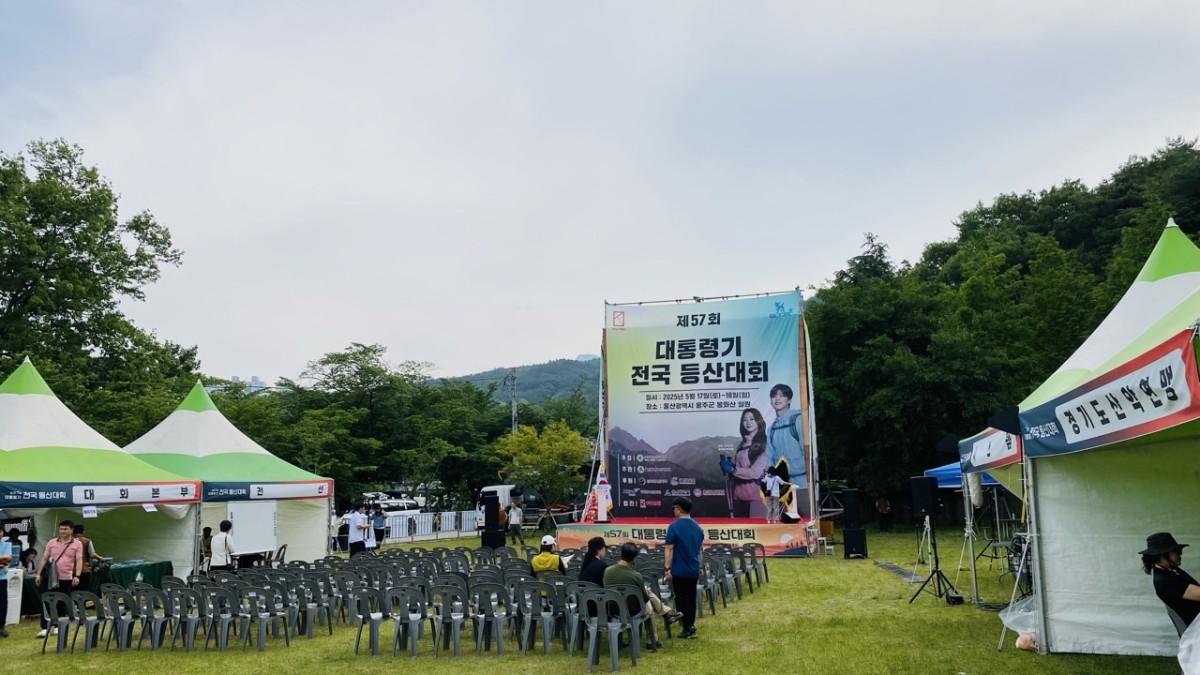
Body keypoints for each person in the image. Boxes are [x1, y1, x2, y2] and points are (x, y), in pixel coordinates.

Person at [604, 542, 682, 650]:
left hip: (614, 609)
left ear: (621, 554)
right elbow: (644, 599)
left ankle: (666, 613)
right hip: (633, 611)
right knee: (649, 603)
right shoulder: (636, 576)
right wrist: (646, 592)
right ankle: (654, 636)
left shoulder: (607, 572)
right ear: (634, 558)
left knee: (647, 595)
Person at [34, 520, 83, 637]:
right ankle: (45, 627)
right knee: (47, 600)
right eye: (61, 529)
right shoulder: (52, 542)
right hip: (50, 576)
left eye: (65, 529)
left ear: (71, 530)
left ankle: (58, 625)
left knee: (61, 601)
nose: (62, 531)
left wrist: (77, 575)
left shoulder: (77, 544)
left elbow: (79, 559)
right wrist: (38, 574)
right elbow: (44, 558)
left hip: (66, 577)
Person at [766, 383, 809, 518]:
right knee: (785, 525)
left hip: (802, 484)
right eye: (774, 396)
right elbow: (769, 457)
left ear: (789, 400)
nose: (777, 399)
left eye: (782, 395)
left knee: (806, 520)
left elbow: (807, 451)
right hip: (782, 488)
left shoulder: (799, 420)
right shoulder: (771, 429)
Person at [1141, 532, 1200, 626]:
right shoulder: (1165, 580)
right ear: (1162, 556)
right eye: (1177, 551)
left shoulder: (1170, 570)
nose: (1180, 554)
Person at [665, 496, 703, 639]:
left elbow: (669, 548)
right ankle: (690, 625)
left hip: (679, 570)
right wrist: (700, 567)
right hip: (693, 569)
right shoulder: (698, 527)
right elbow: (700, 550)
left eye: (674, 508)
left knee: (681, 598)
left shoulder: (674, 527)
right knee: (691, 598)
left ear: (679, 509)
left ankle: (687, 627)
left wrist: (667, 568)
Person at [722, 408, 770, 518]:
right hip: (740, 497)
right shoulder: (743, 443)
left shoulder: (764, 443)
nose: (748, 422)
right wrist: (731, 467)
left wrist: (733, 469)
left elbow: (755, 473)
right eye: (744, 420)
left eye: (752, 419)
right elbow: (741, 467)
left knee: (756, 527)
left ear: (759, 421)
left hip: (757, 498)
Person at [72, 524, 103, 592]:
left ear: (73, 532)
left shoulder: (68, 541)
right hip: (84, 570)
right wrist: (101, 558)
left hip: (71, 570)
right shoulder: (87, 541)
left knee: (73, 590)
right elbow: (92, 554)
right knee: (84, 590)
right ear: (83, 532)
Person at [0, 531, 12, 637]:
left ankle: (2, 626)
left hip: (2, 578)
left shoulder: (6, 545)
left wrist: (4, 559)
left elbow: (8, 558)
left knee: (2, 603)